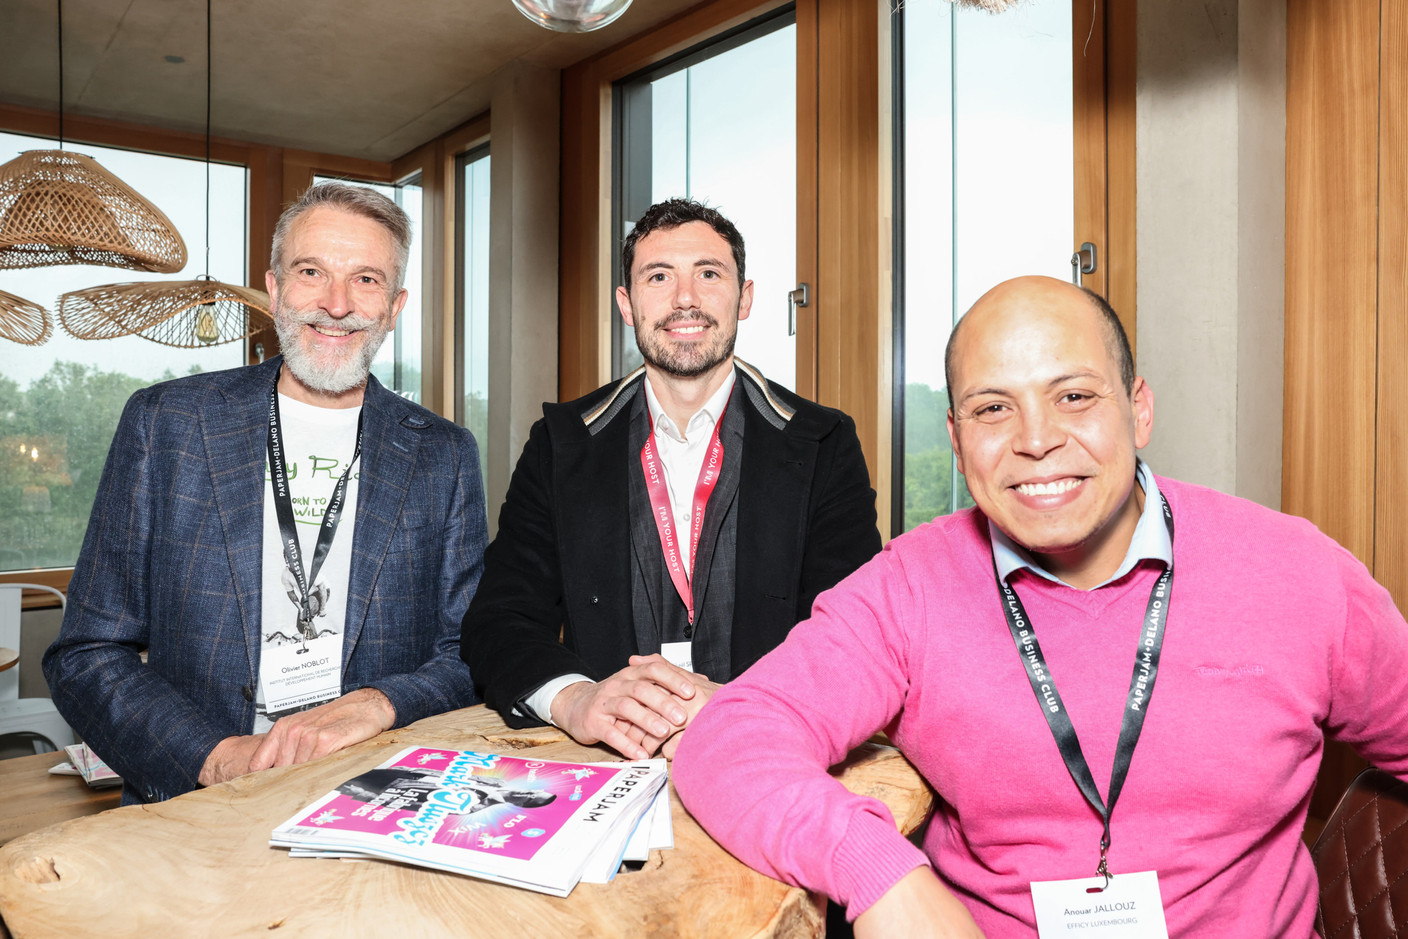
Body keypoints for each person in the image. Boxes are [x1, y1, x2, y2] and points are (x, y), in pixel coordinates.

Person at [673, 275, 1408, 937]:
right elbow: (731, 737)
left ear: (1139, 409)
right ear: (958, 444)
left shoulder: (1298, 573)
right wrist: (880, 873)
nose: (1037, 440)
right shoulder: (909, 585)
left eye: (1075, 396)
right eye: (994, 409)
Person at [44, 182, 487, 805]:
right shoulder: (168, 423)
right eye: (312, 272)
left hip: (373, 795)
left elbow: (469, 652)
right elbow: (87, 653)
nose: (337, 304)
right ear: (276, 289)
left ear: (394, 305)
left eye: (366, 279)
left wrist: (381, 702)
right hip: (198, 804)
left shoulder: (445, 453)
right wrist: (215, 758)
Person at [461, 198, 880, 761]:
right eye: (659, 277)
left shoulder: (824, 441)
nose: (686, 297)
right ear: (627, 304)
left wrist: (743, 705)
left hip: (771, 753)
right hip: (605, 765)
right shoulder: (561, 442)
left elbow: (848, 636)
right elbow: (500, 620)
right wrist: (576, 700)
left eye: (709, 274)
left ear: (744, 298)